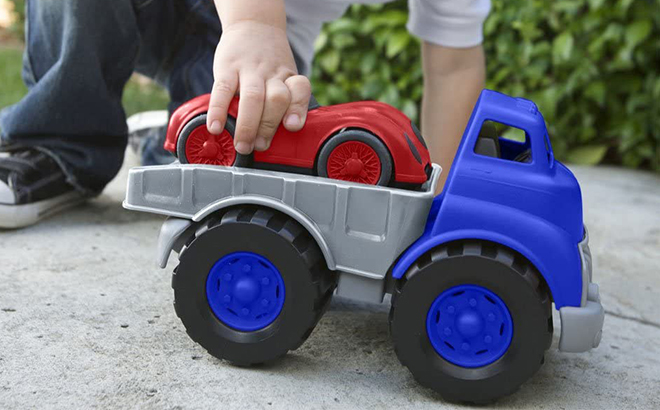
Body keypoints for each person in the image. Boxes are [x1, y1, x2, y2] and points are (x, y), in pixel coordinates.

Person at [0, 0, 490, 229]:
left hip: (262, 55)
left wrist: (435, 202)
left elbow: (453, 68)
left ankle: (171, 140)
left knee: (247, 172)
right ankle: (58, 143)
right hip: (225, 21)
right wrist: (254, 21)